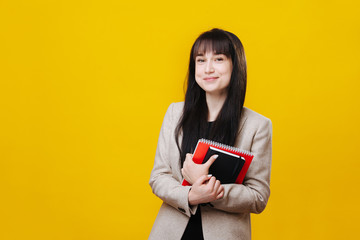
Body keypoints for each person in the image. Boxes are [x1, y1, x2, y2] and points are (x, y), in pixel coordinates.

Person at [149, 28, 272, 240]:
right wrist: (190, 195)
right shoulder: (174, 113)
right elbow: (158, 176)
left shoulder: (257, 125)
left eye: (218, 59)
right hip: (170, 233)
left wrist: (209, 189)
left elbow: (258, 196)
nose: (208, 68)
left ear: (235, 65)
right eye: (200, 60)